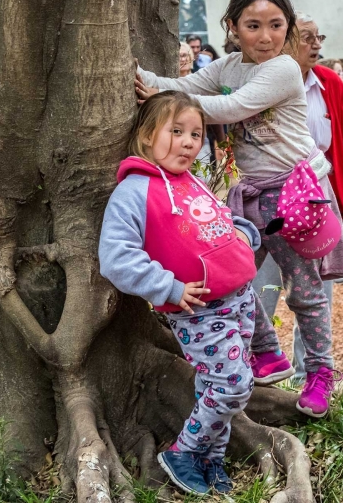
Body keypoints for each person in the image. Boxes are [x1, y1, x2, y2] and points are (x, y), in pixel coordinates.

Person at [135, 0, 343, 418]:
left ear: (288, 26)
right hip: (250, 195)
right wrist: (139, 77)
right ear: (233, 26)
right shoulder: (229, 67)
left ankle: (320, 374)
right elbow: (189, 84)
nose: (266, 36)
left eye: (276, 24)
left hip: (296, 194)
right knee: (230, 273)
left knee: (305, 292)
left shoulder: (284, 68)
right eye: (253, 25)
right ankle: (268, 352)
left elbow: (230, 108)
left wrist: (167, 96)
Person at [99, 91, 262, 495]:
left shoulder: (190, 181)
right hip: (200, 310)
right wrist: (167, 287)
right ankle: (183, 453)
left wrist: (243, 235)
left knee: (216, 386)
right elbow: (116, 257)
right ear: (145, 136)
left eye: (195, 133)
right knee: (234, 385)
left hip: (239, 299)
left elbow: (215, 223)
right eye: (176, 131)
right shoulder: (134, 191)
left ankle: (212, 459)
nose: (189, 142)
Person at [253, 13, 343, 382]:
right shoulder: (260, 82)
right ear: (285, 40)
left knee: (315, 298)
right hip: (268, 208)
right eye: (308, 37)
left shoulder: (329, 83)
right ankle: (255, 374)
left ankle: (308, 376)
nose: (317, 45)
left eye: (319, 36)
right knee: (260, 291)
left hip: (318, 208)